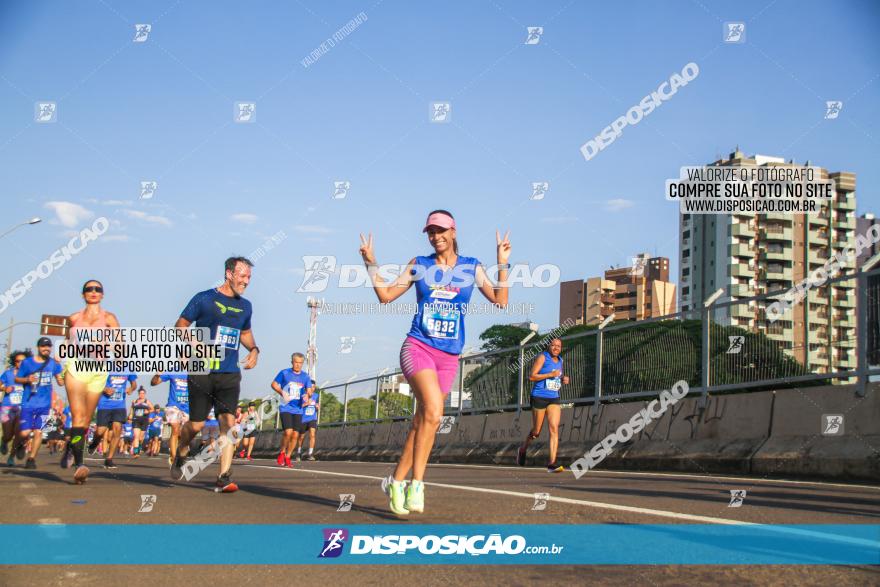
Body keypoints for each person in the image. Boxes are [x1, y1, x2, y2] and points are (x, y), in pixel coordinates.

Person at [359, 209, 510, 514]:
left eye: (441, 230)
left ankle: (395, 480)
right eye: (430, 231)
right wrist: (370, 262)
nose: (436, 236)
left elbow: (500, 300)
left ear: (453, 232)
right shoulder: (420, 264)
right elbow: (386, 296)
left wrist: (503, 263)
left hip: (449, 356)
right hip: (418, 347)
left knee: (424, 421)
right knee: (434, 412)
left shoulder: (471, 267)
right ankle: (417, 483)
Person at [169, 257, 259, 493]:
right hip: (203, 370)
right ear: (229, 274)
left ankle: (223, 476)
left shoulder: (245, 306)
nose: (246, 281)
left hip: (229, 373)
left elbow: (245, 333)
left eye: (249, 277)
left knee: (228, 424)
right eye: (242, 276)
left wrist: (254, 349)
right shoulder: (204, 298)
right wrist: (193, 343)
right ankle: (182, 449)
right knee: (196, 425)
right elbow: (181, 325)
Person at [62, 280, 120, 484]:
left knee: (86, 420)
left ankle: (72, 446)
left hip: (98, 370)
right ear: (83, 294)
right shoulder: (74, 318)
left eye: (98, 289)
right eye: (89, 289)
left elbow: (119, 344)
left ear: (102, 295)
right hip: (77, 368)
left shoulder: (109, 318)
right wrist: (62, 366)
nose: (93, 292)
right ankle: (80, 464)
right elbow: (67, 343)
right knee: (78, 417)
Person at [517, 338, 570, 473]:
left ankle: (552, 464)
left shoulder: (561, 360)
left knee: (554, 428)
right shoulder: (542, 357)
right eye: (553, 345)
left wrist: (563, 378)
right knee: (536, 432)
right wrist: (549, 374)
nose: (556, 348)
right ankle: (523, 449)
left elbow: (558, 376)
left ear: (561, 348)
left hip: (554, 398)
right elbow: (532, 376)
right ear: (549, 346)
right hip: (539, 397)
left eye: (558, 346)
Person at [15, 337, 64, 469]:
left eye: (48, 346)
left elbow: (61, 381)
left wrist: (62, 373)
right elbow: (17, 378)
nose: (46, 349)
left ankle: (31, 459)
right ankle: (20, 444)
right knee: (25, 433)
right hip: (28, 403)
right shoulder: (27, 363)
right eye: (43, 346)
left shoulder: (53, 364)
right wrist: (27, 379)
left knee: (39, 432)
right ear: (38, 348)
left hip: (44, 405)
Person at [272, 352, 312, 468]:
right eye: (296, 362)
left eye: (300, 363)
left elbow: (309, 390)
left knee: (295, 435)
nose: (298, 365)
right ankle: (282, 452)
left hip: (298, 409)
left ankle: (288, 457)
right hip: (286, 407)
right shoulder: (284, 373)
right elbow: (274, 384)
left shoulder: (305, 376)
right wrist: (282, 393)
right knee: (288, 432)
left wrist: (307, 396)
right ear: (292, 362)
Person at [91, 372, 137, 469]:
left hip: (119, 405)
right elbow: (95, 383)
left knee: (117, 431)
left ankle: (109, 459)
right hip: (105, 405)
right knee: (100, 432)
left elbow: (134, 384)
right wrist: (104, 389)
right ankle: (95, 442)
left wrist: (131, 389)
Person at [150, 372, 189, 463]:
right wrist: (157, 375)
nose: (184, 359)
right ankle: (173, 457)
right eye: (182, 357)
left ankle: (180, 452)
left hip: (187, 408)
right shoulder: (172, 371)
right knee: (175, 429)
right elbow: (153, 383)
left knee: (184, 433)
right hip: (173, 406)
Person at [1, 350, 30, 466]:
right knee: (8, 435)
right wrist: (4, 389)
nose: (20, 363)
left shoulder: (29, 376)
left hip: (22, 408)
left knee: (18, 433)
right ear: (14, 362)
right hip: (7, 407)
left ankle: (11, 457)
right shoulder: (8, 374)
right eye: (18, 361)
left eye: (23, 361)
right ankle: (4, 441)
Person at [296, 378, 319, 461]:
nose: (312, 388)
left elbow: (316, 406)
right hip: (303, 419)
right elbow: (298, 407)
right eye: (311, 387)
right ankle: (298, 452)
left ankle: (310, 453)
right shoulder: (302, 396)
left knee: (312, 434)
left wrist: (317, 407)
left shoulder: (316, 395)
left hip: (312, 418)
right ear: (307, 387)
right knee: (301, 437)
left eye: (314, 387)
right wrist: (306, 404)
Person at [129, 388, 153, 458]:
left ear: (145, 394)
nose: (141, 395)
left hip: (144, 420)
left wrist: (148, 411)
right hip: (136, 420)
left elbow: (152, 409)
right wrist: (130, 414)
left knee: (140, 438)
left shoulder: (147, 401)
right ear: (138, 394)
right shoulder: (135, 401)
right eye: (140, 393)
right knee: (136, 436)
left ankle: (139, 448)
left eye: (143, 393)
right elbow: (132, 408)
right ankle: (136, 453)